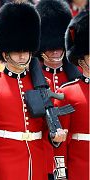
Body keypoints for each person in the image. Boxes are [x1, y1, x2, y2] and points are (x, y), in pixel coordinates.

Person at [0, 2, 68, 179]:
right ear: (5, 52)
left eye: (26, 50)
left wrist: (55, 138)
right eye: (17, 51)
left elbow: (46, 127)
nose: (23, 55)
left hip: (37, 160)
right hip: (5, 161)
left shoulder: (43, 84)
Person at [35, 1, 76, 179]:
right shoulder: (32, 78)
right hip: (41, 158)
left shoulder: (76, 75)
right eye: (50, 49)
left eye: (59, 48)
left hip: (73, 158)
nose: (55, 52)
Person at [54, 10, 89, 180]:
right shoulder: (67, 92)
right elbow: (61, 139)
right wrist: (60, 172)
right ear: (81, 59)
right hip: (80, 168)